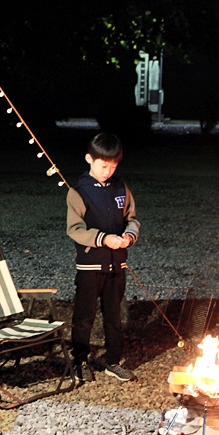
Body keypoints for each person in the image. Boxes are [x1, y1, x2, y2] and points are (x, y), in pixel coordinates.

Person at [66, 132, 141, 382]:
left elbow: (132, 219)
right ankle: (79, 360)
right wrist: (102, 238)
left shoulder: (121, 188)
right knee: (84, 317)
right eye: (103, 166)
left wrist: (129, 236)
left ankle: (112, 360)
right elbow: (74, 229)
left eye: (113, 166)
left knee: (114, 316)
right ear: (89, 159)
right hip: (90, 265)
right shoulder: (79, 191)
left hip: (117, 264)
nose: (108, 171)